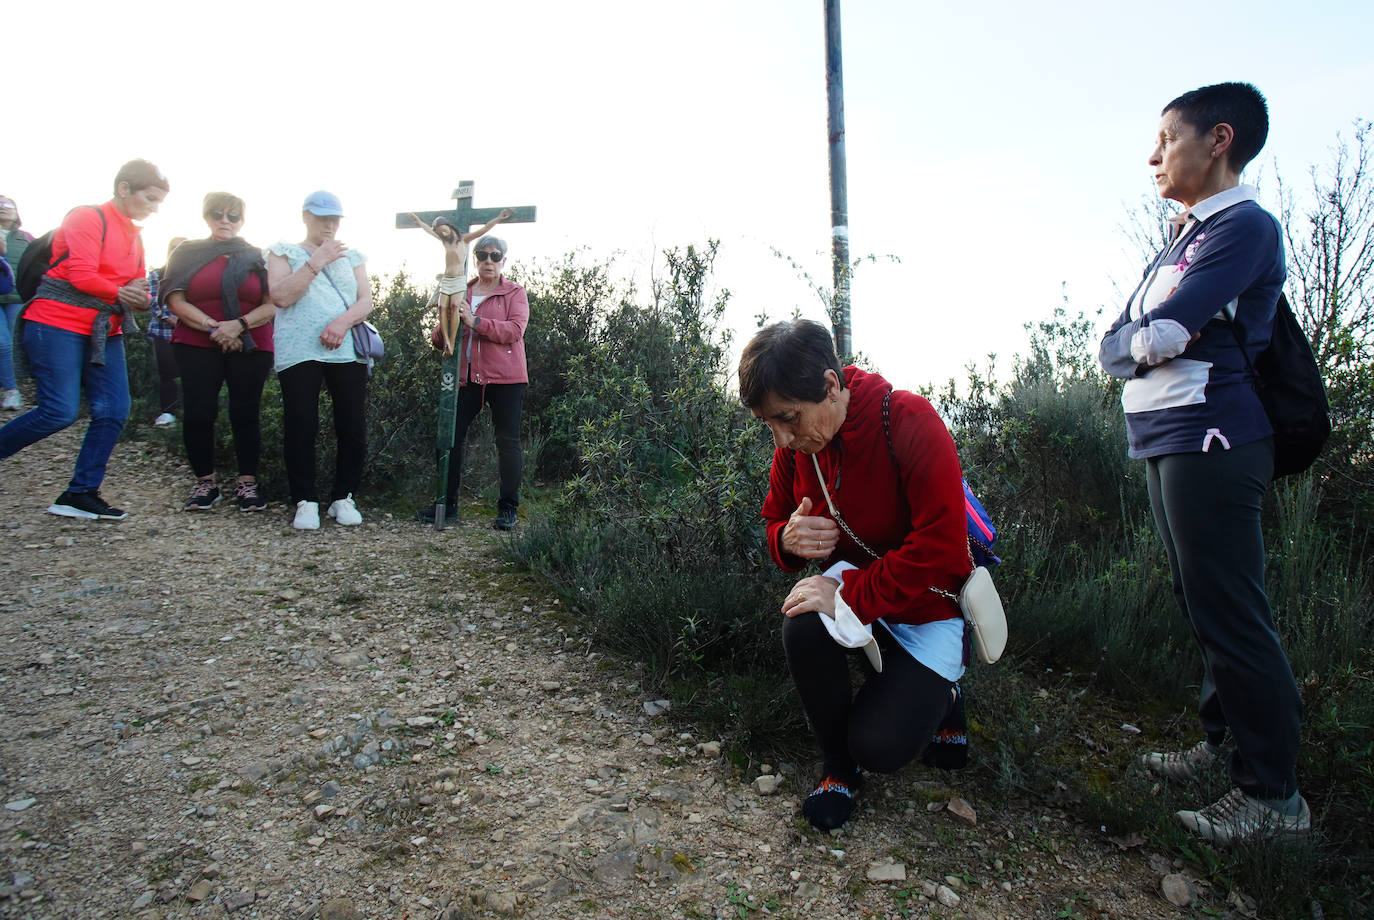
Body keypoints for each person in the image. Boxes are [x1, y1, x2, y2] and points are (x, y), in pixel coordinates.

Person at [1098, 82, 1309, 845]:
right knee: (1200, 602)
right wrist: (1137, 342)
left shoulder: (1244, 227)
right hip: (1167, 438)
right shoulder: (1184, 236)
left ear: (1219, 140)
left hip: (1215, 437)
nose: (1153, 157)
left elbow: (1163, 335)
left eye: (1167, 139)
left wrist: (1141, 342)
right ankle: (1225, 743)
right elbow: (1119, 338)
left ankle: (1273, 799)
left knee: (1232, 610)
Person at [738, 319, 972, 832]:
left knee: (880, 747)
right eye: (768, 423)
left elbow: (939, 548)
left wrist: (845, 590)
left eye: (788, 418)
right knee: (801, 620)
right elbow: (774, 522)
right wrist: (787, 540)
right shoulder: (794, 447)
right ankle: (838, 770)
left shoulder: (909, 419)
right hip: (864, 601)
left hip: (930, 606)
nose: (781, 438)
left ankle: (946, 696)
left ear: (829, 386)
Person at [0, 160, 168, 519]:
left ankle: (80, 493)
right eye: (150, 198)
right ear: (124, 189)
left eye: (158, 202)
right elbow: (81, 275)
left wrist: (141, 297)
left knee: (114, 410)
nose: (154, 208)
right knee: (59, 411)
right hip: (56, 320)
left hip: (105, 329)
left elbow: (137, 285)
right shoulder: (87, 217)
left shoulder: (134, 236)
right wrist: (125, 294)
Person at [266, 191, 372, 530]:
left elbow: (365, 300)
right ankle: (306, 500)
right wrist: (317, 261)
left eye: (334, 218)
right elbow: (281, 296)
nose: (329, 223)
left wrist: (341, 324)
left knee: (351, 425)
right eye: (321, 216)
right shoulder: (283, 252)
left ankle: (344, 497)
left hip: (345, 349)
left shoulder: (353, 255)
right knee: (301, 424)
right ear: (305, 217)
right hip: (298, 350)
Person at [165, 194, 274, 513]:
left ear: (242, 219)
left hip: (251, 340)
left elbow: (270, 304)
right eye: (217, 213)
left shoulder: (257, 256)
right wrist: (216, 328)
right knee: (199, 412)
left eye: (233, 215)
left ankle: (247, 485)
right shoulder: (187, 252)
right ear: (205, 216)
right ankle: (205, 484)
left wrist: (238, 325)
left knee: (245, 412)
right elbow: (176, 299)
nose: (224, 219)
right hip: (197, 339)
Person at [418, 234, 529, 530]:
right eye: (482, 255)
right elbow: (440, 338)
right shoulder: (460, 290)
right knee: (449, 438)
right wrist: (445, 321)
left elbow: (514, 330)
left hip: (506, 379)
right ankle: (446, 504)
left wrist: (475, 322)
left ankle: (508, 509)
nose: (488, 261)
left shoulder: (514, 292)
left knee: (508, 442)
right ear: (474, 259)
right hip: (467, 379)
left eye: (495, 256)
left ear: (503, 260)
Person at [407, 208, 512, 355]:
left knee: (456, 306)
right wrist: (418, 221)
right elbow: (427, 230)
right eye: (440, 232)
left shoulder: (464, 239)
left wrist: (499, 218)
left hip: (457, 280)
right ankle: (448, 343)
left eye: (444, 230)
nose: (443, 234)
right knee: (443, 308)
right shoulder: (445, 242)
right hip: (446, 280)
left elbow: (485, 228)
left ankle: (451, 340)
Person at [146, 237, 187, 428]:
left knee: (190, 374)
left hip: (190, 334)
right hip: (163, 333)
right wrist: (177, 319)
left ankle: (186, 412)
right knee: (167, 373)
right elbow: (156, 304)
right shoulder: (157, 274)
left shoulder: (192, 276)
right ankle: (168, 412)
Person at [0, 195, 35, 411]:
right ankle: (11, 389)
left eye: (8, 205)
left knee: (14, 344)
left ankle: (13, 390)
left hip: (17, 298)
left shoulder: (26, 238)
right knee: (2, 343)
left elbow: (38, 265)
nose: (3, 208)